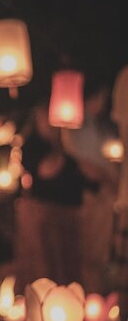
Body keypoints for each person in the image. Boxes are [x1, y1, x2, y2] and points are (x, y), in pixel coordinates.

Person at [13, 101, 94, 293]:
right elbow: (47, 170)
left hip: (70, 216)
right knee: (46, 268)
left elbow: (88, 178)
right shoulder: (32, 146)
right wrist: (59, 146)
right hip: (43, 218)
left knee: (70, 266)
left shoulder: (72, 143)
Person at [61, 79, 119, 293]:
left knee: (104, 250)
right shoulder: (76, 126)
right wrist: (109, 181)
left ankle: (100, 300)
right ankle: (93, 300)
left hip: (107, 191)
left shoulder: (94, 125)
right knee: (93, 253)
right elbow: (86, 165)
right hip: (96, 193)